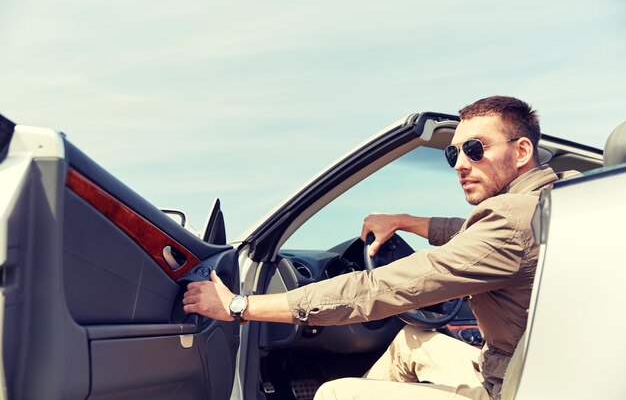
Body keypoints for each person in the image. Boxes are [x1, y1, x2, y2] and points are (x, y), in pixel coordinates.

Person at [183, 96, 569, 400]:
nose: (459, 164)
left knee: (335, 393)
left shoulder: (509, 222)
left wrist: (239, 306)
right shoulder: (555, 204)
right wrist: (406, 221)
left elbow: (379, 290)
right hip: (533, 373)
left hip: (512, 389)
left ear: (520, 152)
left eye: (474, 148)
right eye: (453, 154)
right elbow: (471, 234)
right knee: (411, 341)